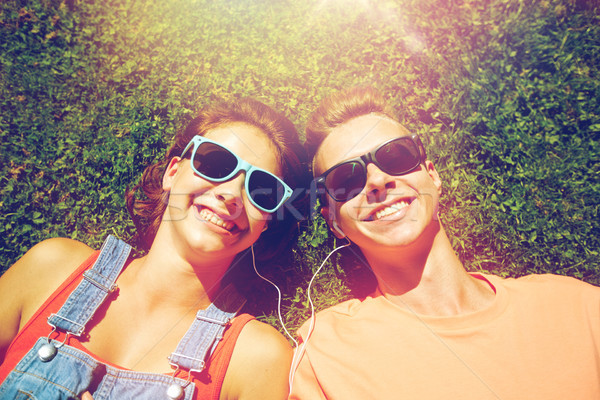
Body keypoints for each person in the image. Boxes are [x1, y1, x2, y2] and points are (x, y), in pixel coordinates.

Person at [289, 86, 600, 399]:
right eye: (345, 179)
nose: (377, 181)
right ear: (334, 222)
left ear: (433, 176)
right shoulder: (326, 353)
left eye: (395, 156)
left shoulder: (576, 307)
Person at [0, 98, 307, 400]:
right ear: (172, 172)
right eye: (215, 163)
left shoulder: (257, 359)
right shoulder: (52, 268)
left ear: (266, 221)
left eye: (262, 190)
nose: (231, 194)